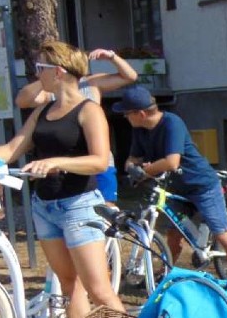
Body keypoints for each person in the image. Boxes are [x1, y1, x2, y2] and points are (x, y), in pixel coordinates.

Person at [0, 40, 125, 318]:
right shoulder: (42, 112)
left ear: (58, 72)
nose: (35, 75)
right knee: (70, 288)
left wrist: (57, 161)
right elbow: (12, 149)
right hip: (46, 208)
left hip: (79, 206)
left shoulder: (89, 110)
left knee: (100, 291)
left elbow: (100, 160)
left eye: (39, 69)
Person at [116, 85, 227, 286]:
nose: (125, 117)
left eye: (127, 113)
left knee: (224, 235)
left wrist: (143, 171)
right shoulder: (140, 130)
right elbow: (131, 160)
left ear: (141, 113)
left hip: (202, 185)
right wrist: (132, 167)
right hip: (178, 188)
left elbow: (172, 162)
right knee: (173, 235)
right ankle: (164, 274)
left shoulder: (171, 123)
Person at [16, 48, 138, 206]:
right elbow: (22, 101)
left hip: (97, 158)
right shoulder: (50, 93)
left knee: (107, 206)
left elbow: (130, 76)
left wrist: (112, 57)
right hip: (68, 165)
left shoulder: (91, 83)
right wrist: (47, 74)